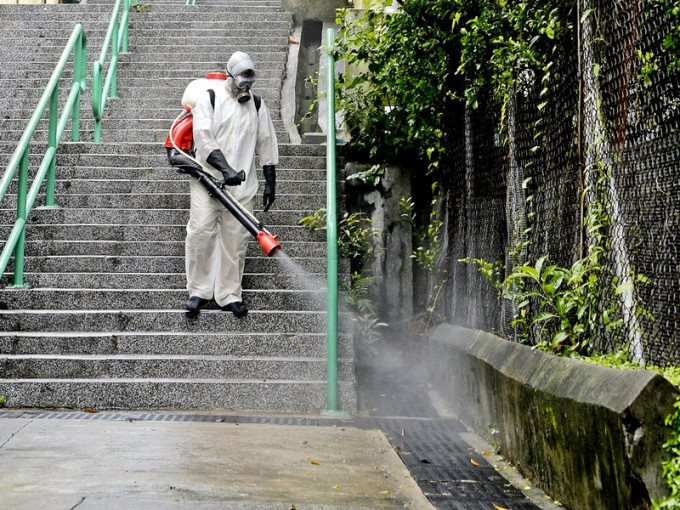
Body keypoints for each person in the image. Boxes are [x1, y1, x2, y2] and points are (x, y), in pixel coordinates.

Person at [184, 51, 278, 317]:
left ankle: (229, 294)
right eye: (242, 77)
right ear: (230, 75)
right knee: (201, 231)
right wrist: (225, 171)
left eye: (251, 78)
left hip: (241, 188)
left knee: (235, 240)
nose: (246, 83)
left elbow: (267, 144)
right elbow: (203, 139)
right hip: (207, 181)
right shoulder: (210, 99)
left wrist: (270, 183)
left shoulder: (257, 105)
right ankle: (199, 291)